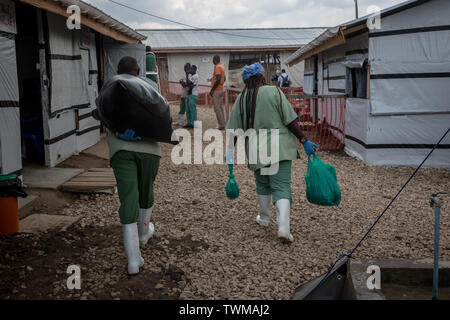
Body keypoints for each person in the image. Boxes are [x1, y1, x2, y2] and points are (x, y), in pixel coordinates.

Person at [225, 62, 319, 243]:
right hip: (279, 146)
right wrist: (304, 140)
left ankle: (265, 218)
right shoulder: (273, 92)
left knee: (262, 183)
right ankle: (283, 228)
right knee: (281, 186)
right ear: (261, 77)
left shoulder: (241, 98)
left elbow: (235, 130)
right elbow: (290, 120)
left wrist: (230, 151)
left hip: (255, 149)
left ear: (246, 81)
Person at [105, 56, 161, 274]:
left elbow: (103, 115)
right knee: (146, 193)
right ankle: (145, 233)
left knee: (128, 198)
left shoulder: (110, 86)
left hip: (122, 150)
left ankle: (133, 261)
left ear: (118, 70)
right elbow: (161, 115)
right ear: (139, 71)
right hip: (150, 150)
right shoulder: (151, 85)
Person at [209, 55, 226, 130]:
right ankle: (223, 123)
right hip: (221, 88)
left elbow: (218, 79)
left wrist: (212, 90)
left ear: (215, 60)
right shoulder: (221, 66)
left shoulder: (217, 67)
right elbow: (224, 78)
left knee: (217, 108)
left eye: (213, 60)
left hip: (217, 90)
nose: (212, 61)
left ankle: (221, 125)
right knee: (220, 107)